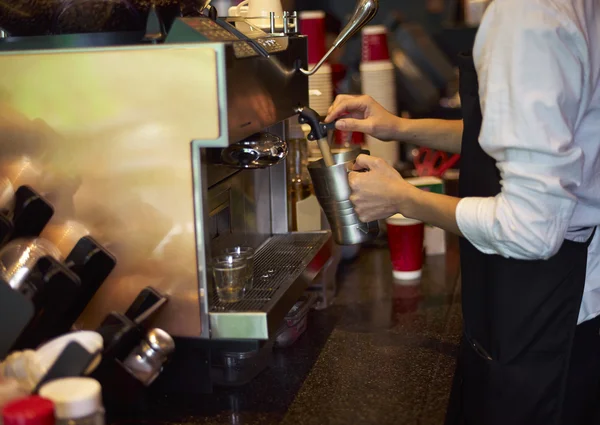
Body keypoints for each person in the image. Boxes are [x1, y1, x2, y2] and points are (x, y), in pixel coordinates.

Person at [325, 0, 600, 424]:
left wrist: (403, 198)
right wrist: (399, 127)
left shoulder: (524, 17)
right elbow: (518, 134)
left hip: (555, 302)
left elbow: (530, 229)